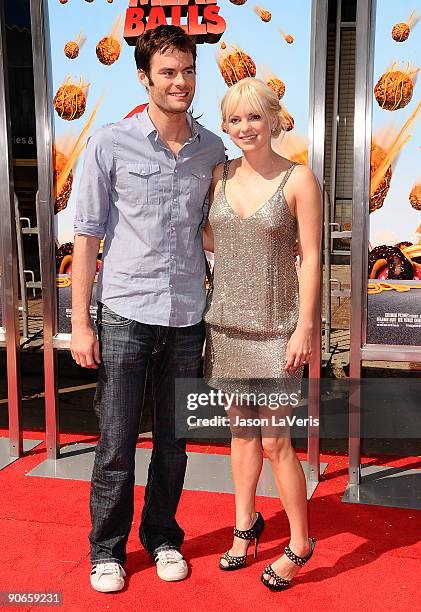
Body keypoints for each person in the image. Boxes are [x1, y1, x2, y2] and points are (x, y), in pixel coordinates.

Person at [70, 25, 225, 593]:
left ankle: (162, 537)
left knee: (175, 443)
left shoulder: (212, 149)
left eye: (187, 70)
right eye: (168, 72)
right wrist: (80, 322)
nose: (180, 81)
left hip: (187, 316)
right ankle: (105, 551)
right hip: (125, 315)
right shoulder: (112, 142)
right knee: (114, 443)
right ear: (145, 78)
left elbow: (212, 231)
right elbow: (86, 235)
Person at [203, 78, 322, 591]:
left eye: (255, 117)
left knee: (277, 440)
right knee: (241, 434)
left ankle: (299, 542)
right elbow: (209, 234)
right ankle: (246, 525)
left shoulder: (300, 180)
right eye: (234, 119)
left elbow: (313, 258)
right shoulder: (217, 175)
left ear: (275, 118)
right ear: (225, 126)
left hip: (277, 333)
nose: (245, 127)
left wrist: (306, 328)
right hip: (225, 327)